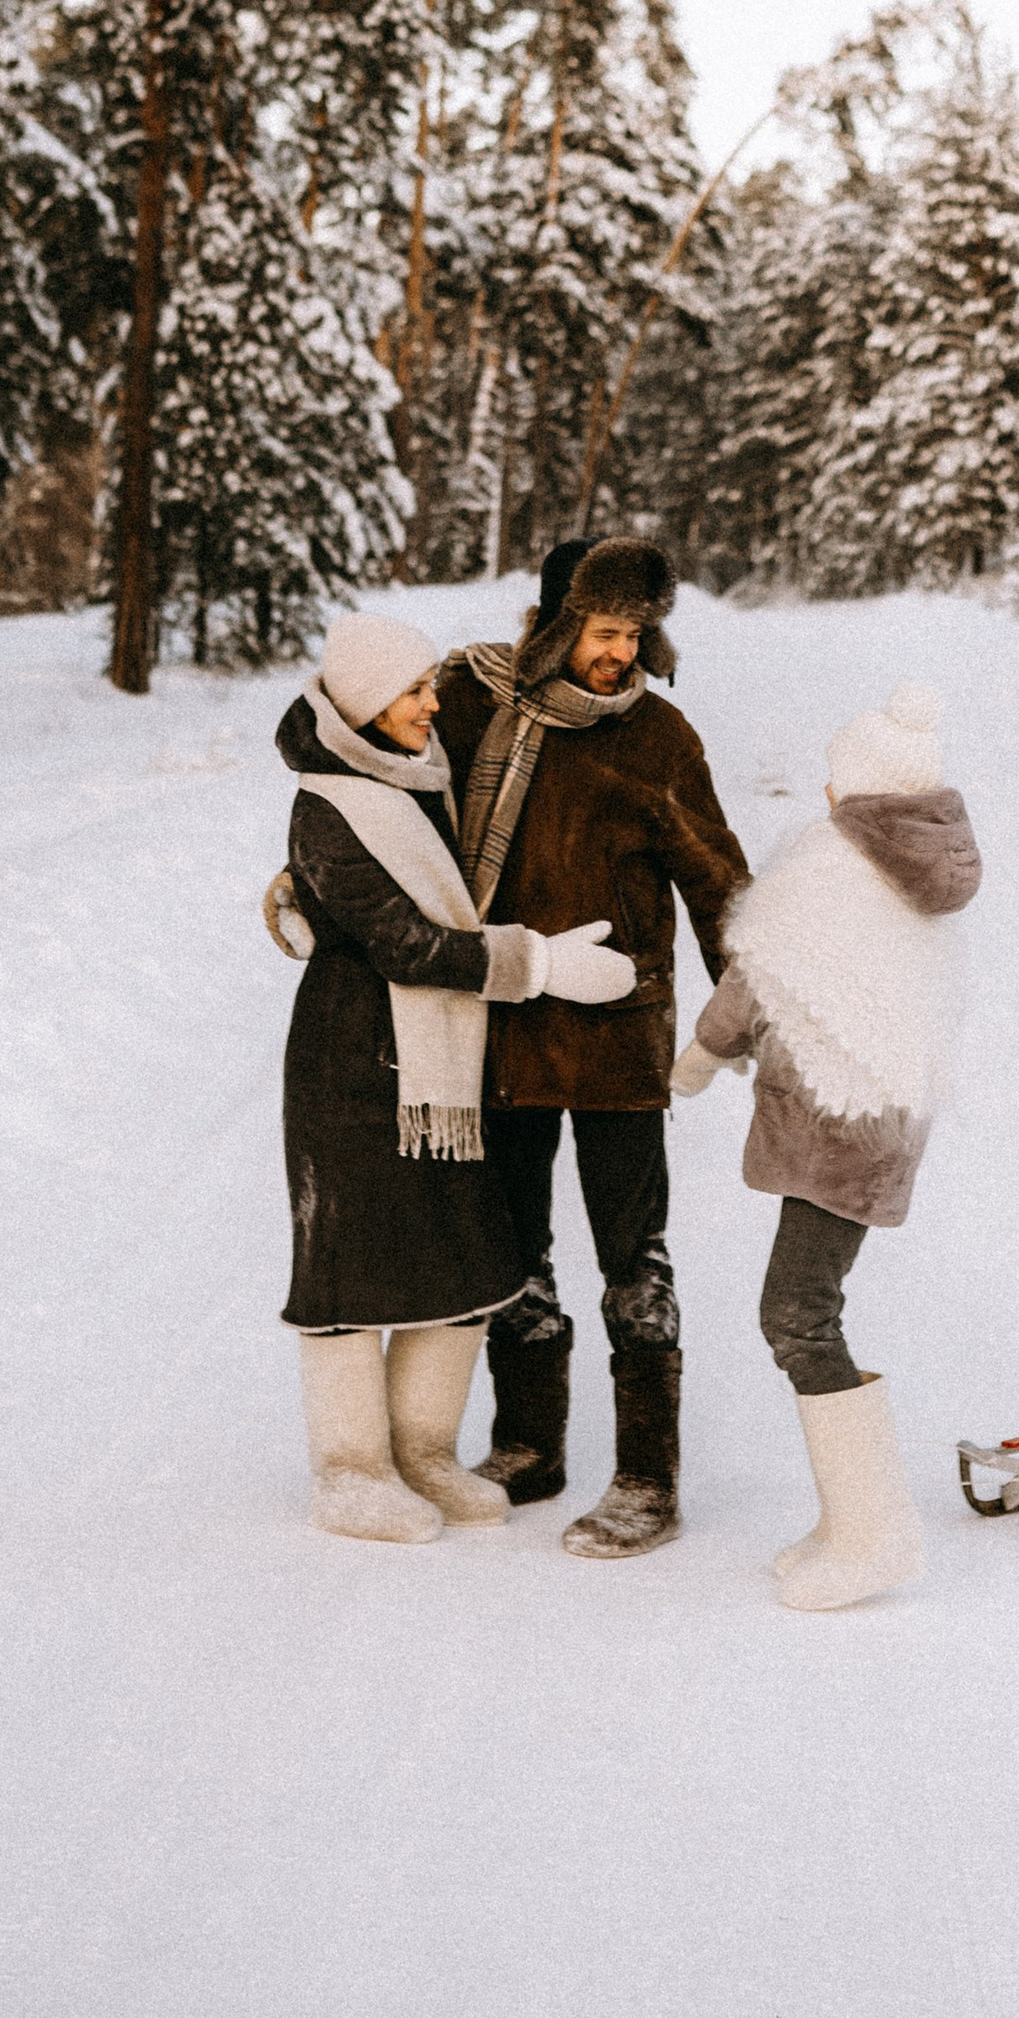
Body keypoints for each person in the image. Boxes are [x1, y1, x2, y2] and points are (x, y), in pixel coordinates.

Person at [270, 609, 636, 1545]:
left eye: (433, 683)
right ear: (362, 703)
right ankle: (350, 1471)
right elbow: (408, 941)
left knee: (470, 1259)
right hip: (352, 1071)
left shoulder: (409, 775)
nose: (435, 705)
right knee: (349, 1270)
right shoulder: (329, 801)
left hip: (436, 1071)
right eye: (416, 690)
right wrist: (539, 967)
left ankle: (423, 1450)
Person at [435, 536, 750, 1559]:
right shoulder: (472, 701)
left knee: (634, 1261)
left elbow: (716, 878)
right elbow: (383, 778)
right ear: (555, 622)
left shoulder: (656, 737)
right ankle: (530, 1444)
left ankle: (647, 1476)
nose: (621, 652)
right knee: (509, 1251)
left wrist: (753, 1006)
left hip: (616, 1039)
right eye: (603, 631)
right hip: (505, 1028)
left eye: (634, 633)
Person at [670, 680, 980, 1611]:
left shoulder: (830, 865)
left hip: (835, 1123)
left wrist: (691, 1064)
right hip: (881, 1120)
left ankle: (875, 1534)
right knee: (808, 1308)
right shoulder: (924, 858)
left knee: (797, 1315)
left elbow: (752, 982)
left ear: (851, 793)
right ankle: (850, 1521)